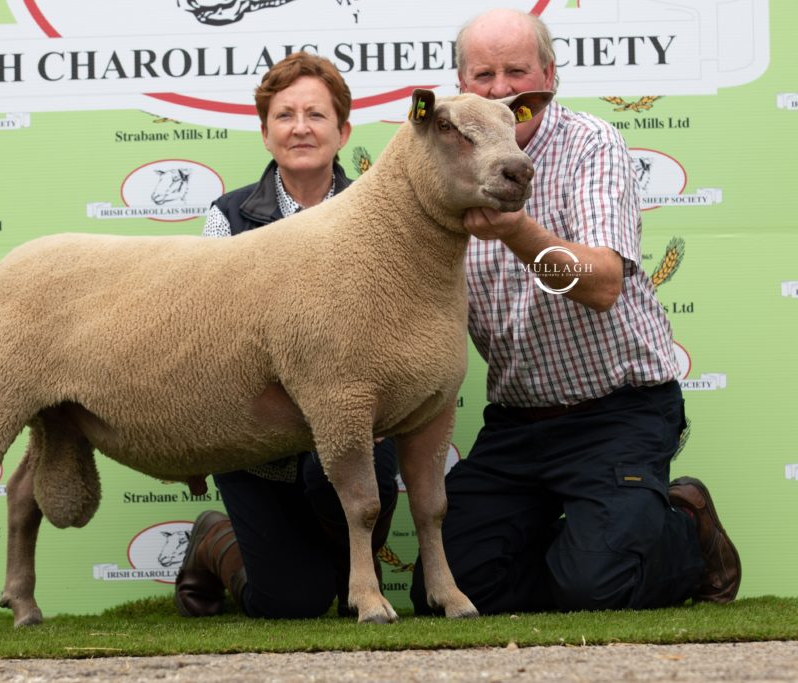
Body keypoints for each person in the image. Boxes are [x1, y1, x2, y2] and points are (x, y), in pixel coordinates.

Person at [410, 9, 741, 615]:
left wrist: (517, 232)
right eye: (483, 74)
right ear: (459, 84)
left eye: (517, 70)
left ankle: (683, 528)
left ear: (550, 75)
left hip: (619, 413)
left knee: (595, 589)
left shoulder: (592, 142)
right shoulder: (437, 170)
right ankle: (586, 547)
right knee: (446, 592)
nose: (501, 88)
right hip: (516, 420)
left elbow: (603, 285)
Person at [174, 51, 400, 619]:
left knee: (343, 483)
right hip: (253, 438)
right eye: (285, 115)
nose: (301, 127)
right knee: (287, 603)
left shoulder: (384, 219)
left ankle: (353, 577)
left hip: (352, 430)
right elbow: (206, 337)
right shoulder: (225, 218)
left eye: (317, 115)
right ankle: (211, 538)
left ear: (343, 131)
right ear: (265, 132)